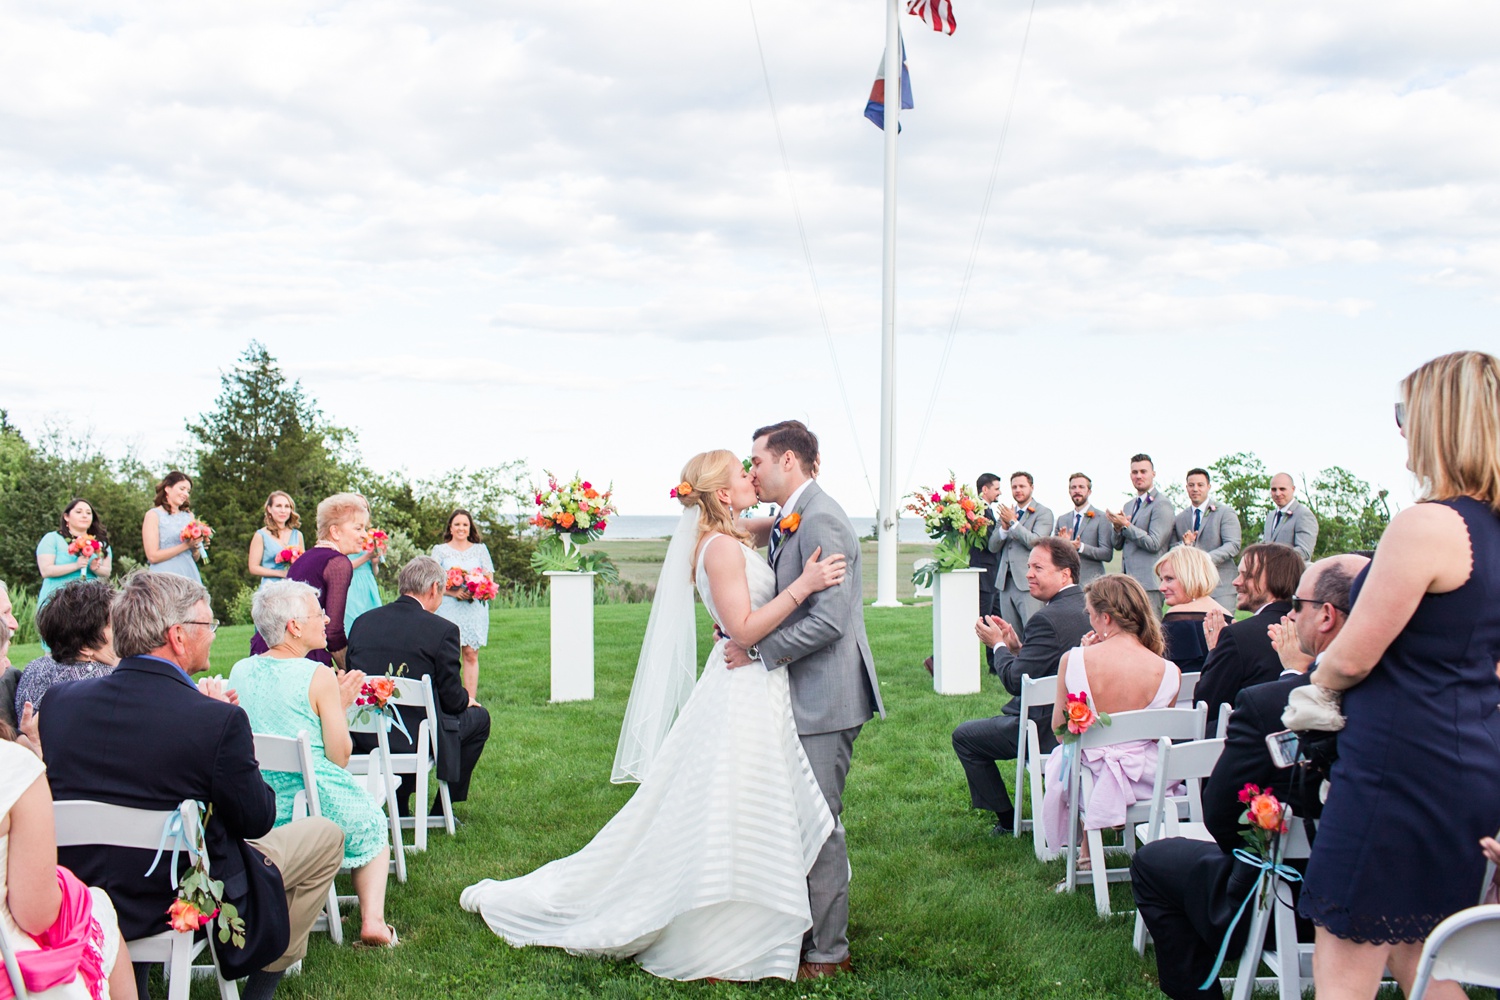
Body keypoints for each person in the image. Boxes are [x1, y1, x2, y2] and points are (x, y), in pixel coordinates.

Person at [461, 447, 852, 981]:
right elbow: (743, 628)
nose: (751, 475)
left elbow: (780, 522)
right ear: (721, 492)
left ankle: (761, 919)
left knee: (750, 804)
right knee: (730, 807)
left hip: (756, 689)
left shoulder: (734, 533)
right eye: (743, 472)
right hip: (743, 689)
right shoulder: (718, 549)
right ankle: (718, 931)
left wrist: (794, 508)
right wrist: (804, 586)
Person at [40, 571, 345, 1000]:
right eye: (209, 625)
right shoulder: (214, 720)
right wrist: (228, 737)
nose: (214, 635)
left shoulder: (59, 705)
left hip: (80, 888)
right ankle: (260, 991)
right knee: (326, 836)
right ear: (177, 637)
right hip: (176, 896)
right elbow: (257, 819)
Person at [1300, 351, 1500, 1000]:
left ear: (1439, 422)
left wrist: (1314, 686)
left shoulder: (1427, 525)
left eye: (1404, 413)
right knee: (1424, 956)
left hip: (1395, 769)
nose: (1401, 429)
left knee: (1345, 968)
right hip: (1469, 763)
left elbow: (1355, 656)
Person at [1131, 553, 1367, 1000]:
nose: (1291, 615)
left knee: (1154, 862)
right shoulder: (1427, 704)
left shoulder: (1268, 703)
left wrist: (1292, 677)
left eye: (1299, 605)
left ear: (1328, 615)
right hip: (1408, 894)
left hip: (1291, 900)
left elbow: (1222, 816)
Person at [229, 581, 397, 947]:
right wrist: (340, 706)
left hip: (260, 803)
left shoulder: (240, 670)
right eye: (318, 613)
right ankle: (374, 922)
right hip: (314, 800)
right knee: (373, 822)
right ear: (294, 626)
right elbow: (339, 757)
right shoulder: (317, 674)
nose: (326, 618)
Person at [952, 537, 1090, 836]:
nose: (1028, 574)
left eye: (1038, 567)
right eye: (1028, 567)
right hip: (1090, 722)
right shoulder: (1091, 608)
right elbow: (1050, 663)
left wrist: (998, 645)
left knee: (965, 737)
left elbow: (1017, 682)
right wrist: (1018, 649)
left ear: (1065, 574)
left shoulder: (1047, 618)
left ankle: (1005, 820)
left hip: (1046, 728)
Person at [1040, 574, 1180, 861]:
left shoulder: (1075, 660)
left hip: (1087, 779)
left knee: (1068, 757)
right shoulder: (1169, 670)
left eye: (1090, 615)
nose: (1090, 621)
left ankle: (1087, 848)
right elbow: (1154, 736)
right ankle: (1090, 847)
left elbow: (1059, 731)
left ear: (1106, 618)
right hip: (1147, 778)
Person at [346, 556, 492, 818]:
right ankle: (442, 809)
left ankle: (400, 803)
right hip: (417, 738)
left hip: (365, 736)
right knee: (479, 718)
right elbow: (451, 699)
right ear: (434, 589)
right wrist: (465, 700)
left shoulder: (362, 622)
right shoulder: (442, 630)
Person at [0, 730, 138, 1000]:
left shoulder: (57, 704)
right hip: (12, 970)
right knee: (98, 910)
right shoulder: (15, 768)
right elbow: (36, 916)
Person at [249, 493, 367, 669]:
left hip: (269, 646)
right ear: (335, 531)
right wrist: (348, 670)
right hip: (298, 653)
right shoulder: (338, 563)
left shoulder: (307, 556)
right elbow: (333, 632)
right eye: (358, 528)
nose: (364, 535)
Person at [1193, 543, 1303, 731]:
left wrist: (1214, 651)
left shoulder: (1237, 636)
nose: (1236, 582)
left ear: (1275, 580)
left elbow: (1204, 708)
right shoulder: (1309, 629)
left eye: (1247, 575)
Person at [15, 580, 118, 718]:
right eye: (115, 624)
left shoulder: (35, 668)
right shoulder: (107, 681)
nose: (125, 629)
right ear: (86, 646)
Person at [432, 509, 494, 702]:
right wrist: (453, 591)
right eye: (457, 524)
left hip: (473, 608)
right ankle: (448, 699)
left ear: (470, 528)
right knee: (447, 656)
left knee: (470, 653)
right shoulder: (440, 550)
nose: (461, 528)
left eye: (465, 525)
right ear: (450, 527)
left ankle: (470, 699)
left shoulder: (480, 550)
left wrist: (477, 590)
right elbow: (433, 580)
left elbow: (489, 578)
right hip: (448, 607)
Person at [986, 472, 1055, 632]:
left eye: (1022, 486)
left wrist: (1013, 522)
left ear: (1031, 487)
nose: (1018, 490)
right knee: (1010, 635)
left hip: (1028, 583)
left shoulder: (1043, 513)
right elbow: (992, 546)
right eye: (1014, 487)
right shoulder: (1006, 513)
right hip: (1005, 583)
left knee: (1033, 631)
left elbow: (1035, 541)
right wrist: (1003, 528)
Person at [1108, 454, 1175, 612]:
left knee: (1151, 631)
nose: (1138, 476)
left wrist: (1126, 525)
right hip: (1128, 582)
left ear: (1153, 474)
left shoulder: (1162, 504)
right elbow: (1117, 545)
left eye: (1143, 471)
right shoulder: (1129, 505)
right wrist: (1117, 527)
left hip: (1149, 584)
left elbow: (1154, 543)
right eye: (1135, 472)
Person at [1169, 468, 1241, 611]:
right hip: (1192, 590)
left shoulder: (1225, 513)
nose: (1195, 489)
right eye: (1191, 485)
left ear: (1208, 487)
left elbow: (1233, 545)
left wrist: (1204, 558)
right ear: (1186, 487)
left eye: (1200, 485)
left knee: (1221, 630)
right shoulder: (1180, 518)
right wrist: (1185, 545)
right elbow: (1172, 549)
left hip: (1221, 587)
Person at [1155, 546, 1233, 676]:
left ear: (1191, 577)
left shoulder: (1177, 617)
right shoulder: (1226, 616)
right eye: (1161, 579)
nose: (1161, 587)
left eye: (1169, 579)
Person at [36, 498, 113, 611]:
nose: (84, 516)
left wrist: (95, 568)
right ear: (66, 516)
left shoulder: (101, 543)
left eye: (88, 513)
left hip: (90, 602)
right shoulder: (52, 538)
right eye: (79, 512)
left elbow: (107, 572)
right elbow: (46, 570)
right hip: (57, 601)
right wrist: (76, 565)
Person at [141, 471, 203, 583]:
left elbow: (196, 557)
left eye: (188, 491)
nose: (186, 494)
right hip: (163, 577)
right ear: (168, 488)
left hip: (188, 574)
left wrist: (195, 547)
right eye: (182, 489)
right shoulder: (153, 515)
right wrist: (186, 545)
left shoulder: (189, 516)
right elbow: (152, 556)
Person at [1056, 473, 1113, 583]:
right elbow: (1054, 555)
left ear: (1089, 491)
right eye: (1073, 487)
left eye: (1081, 487)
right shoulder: (1062, 519)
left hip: (1092, 583)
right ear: (1069, 492)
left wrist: (1081, 547)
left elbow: (1107, 554)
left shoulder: (1102, 518)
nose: (1077, 490)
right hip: (1066, 583)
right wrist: (1062, 545)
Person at [247, 491, 305, 590]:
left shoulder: (298, 535)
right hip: (270, 589)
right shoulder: (261, 535)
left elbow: (302, 564)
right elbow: (253, 567)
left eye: (287, 506)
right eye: (278, 506)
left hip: (293, 588)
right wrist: (281, 574)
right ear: (269, 509)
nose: (283, 510)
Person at [342, 497, 382, 629]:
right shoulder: (343, 534)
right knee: (351, 625)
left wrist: (375, 562)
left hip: (368, 585)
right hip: (350, 585)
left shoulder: (372, 535)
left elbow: (375, 572)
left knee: (373, 625)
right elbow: (343, 568)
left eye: (364, 507)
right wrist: (367, 556)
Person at [1262, 473, 1318, 559]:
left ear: (1293, 489)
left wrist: (1275, 560)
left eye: (1282, 489)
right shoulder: (1270, 516)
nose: (1277, 493)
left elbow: (1304, 551)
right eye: (1274, 489)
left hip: (1292, 571)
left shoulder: (1304, 515)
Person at [970, 473, 1003, 620]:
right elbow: (991, 542)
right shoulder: (979, 512)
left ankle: (995, 644)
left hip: (992, 576)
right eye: (996, 489)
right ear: (985, 489)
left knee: (995, 620)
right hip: (985, 575)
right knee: (985, 620)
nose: (999, 492)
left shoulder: (986, 510)